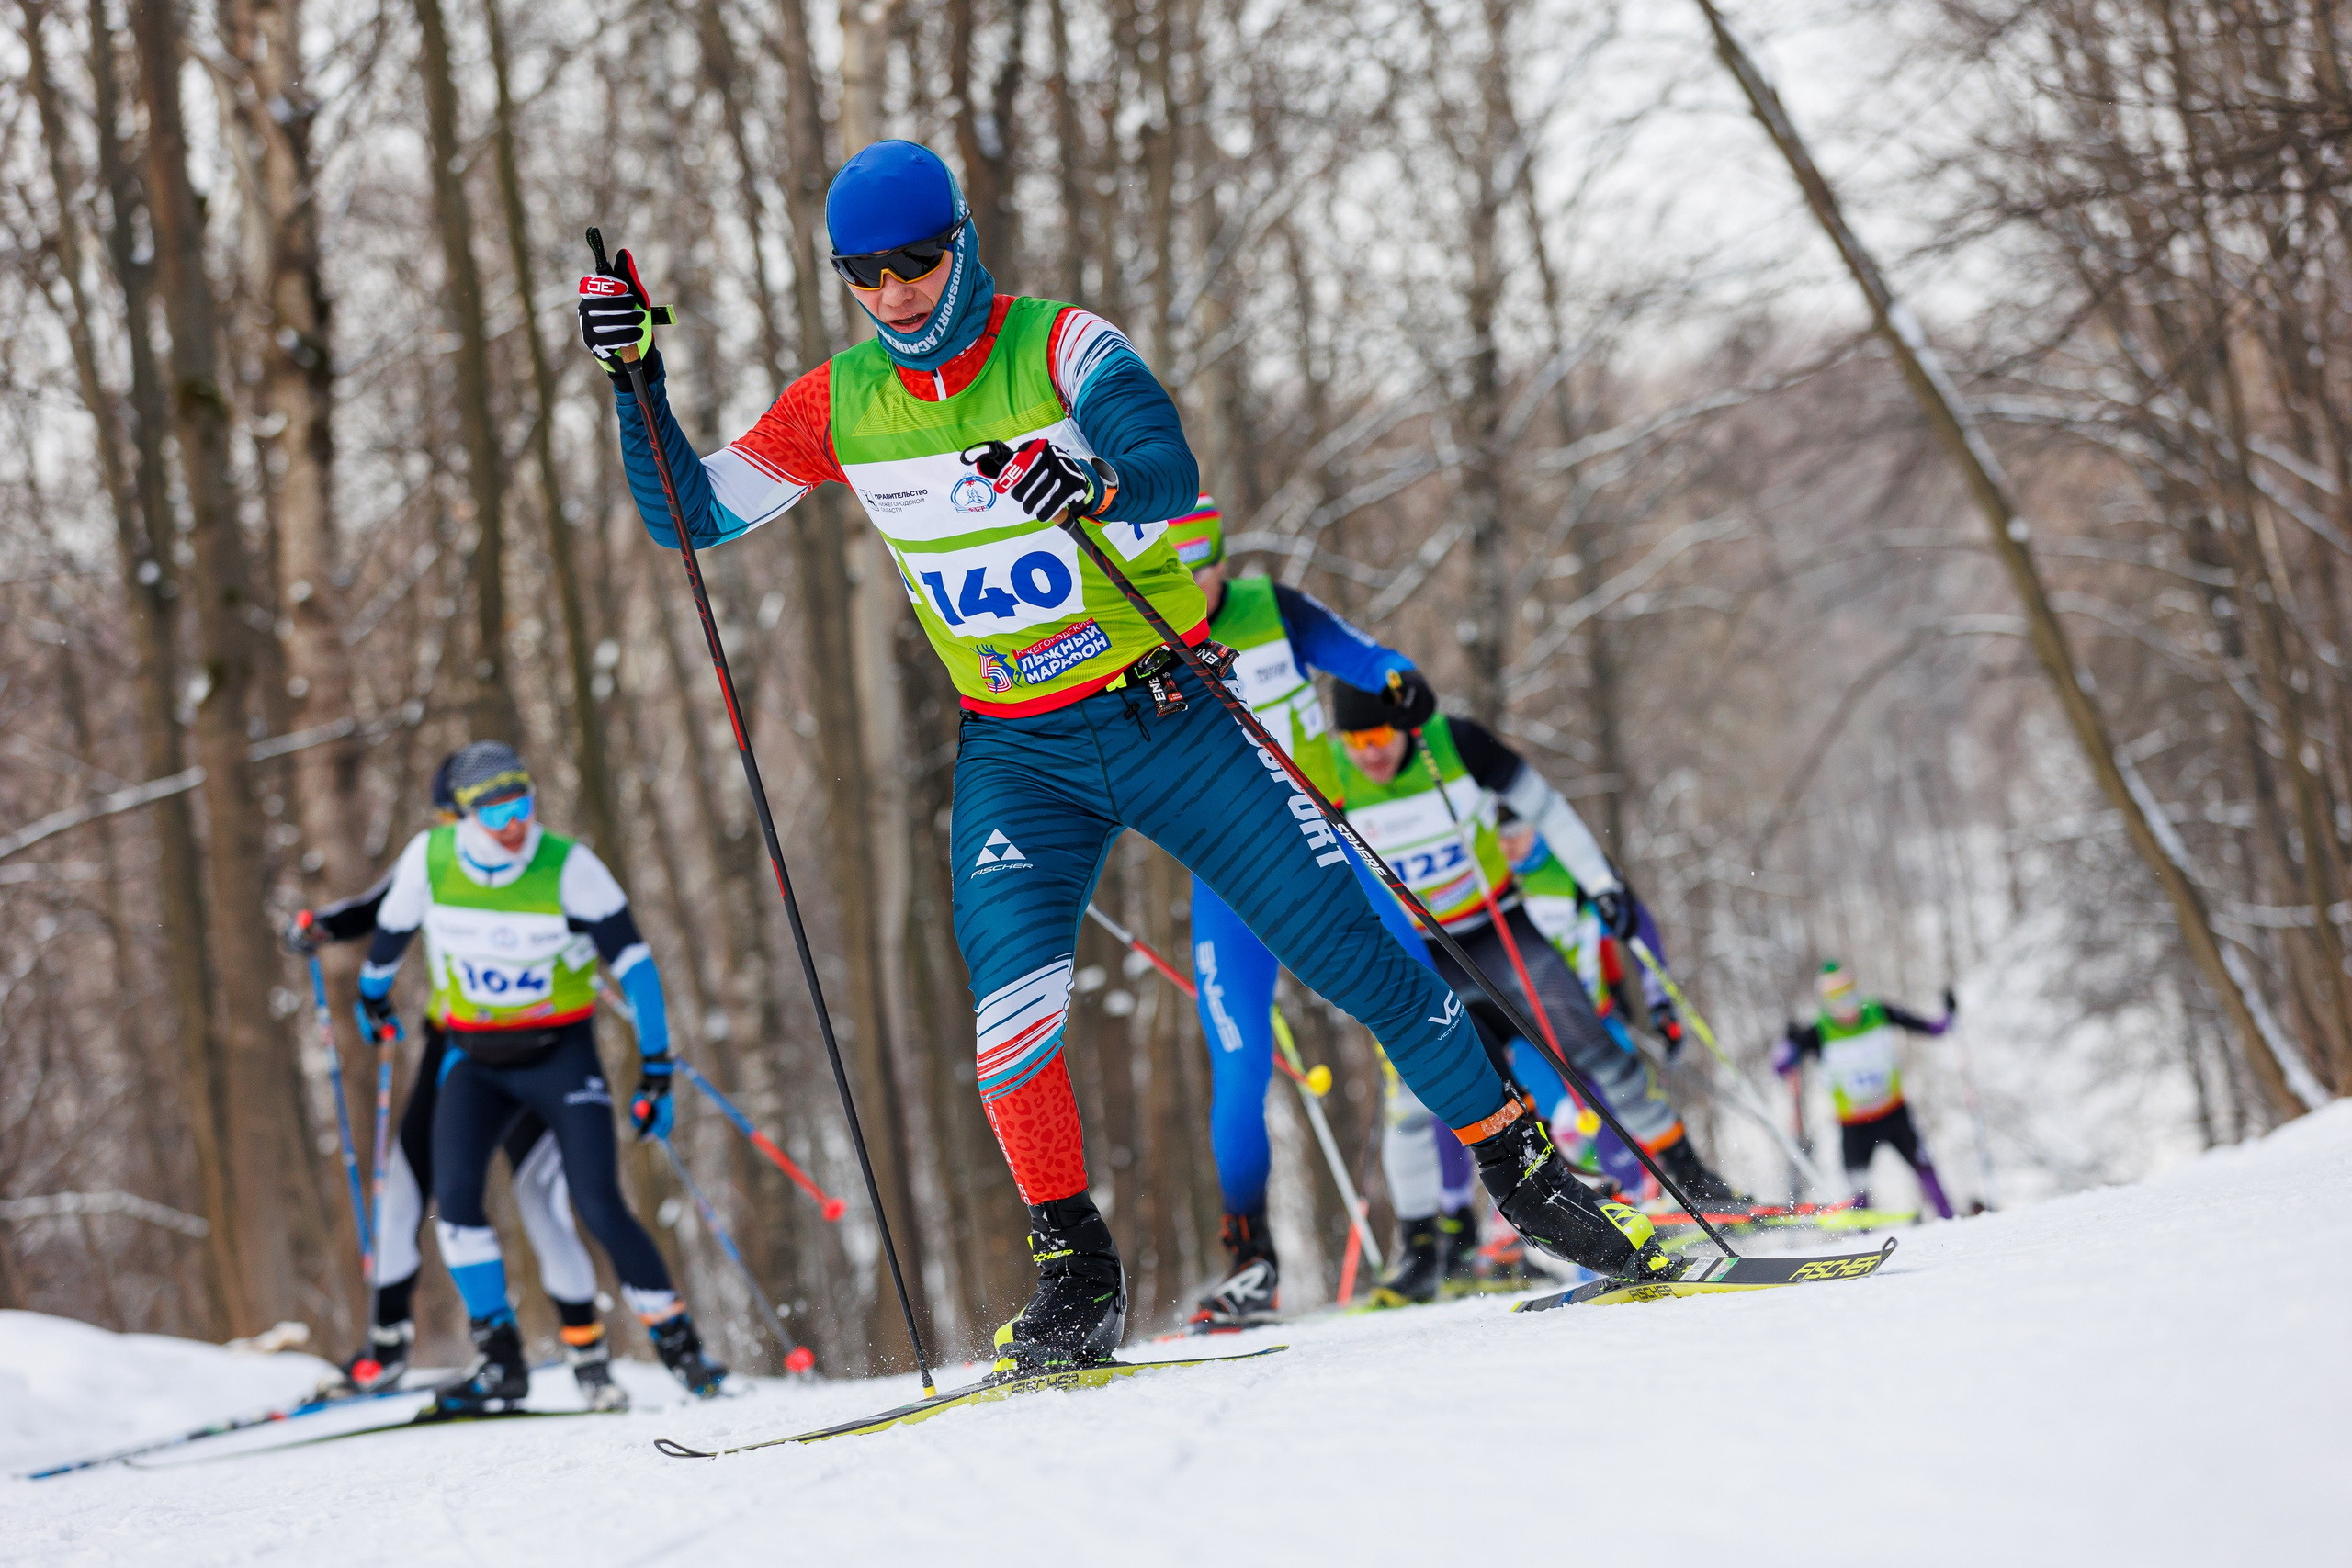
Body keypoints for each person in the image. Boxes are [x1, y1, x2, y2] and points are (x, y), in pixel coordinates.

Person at [582, 138, 1679, 1374]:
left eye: (916, 261)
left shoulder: (1062, 346)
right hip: (1018, 755)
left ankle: (1528, 1173)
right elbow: (691, 514)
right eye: (863, 272)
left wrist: (1089, 476)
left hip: (1168, 720)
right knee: (1009, 1018)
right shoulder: (839, 404)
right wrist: (636, 380)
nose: (893, 292)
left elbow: (1166, 463)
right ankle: (1076, 1271)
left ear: (963, 245)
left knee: (1353, 952)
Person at [355, 741, 725, 1412]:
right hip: (473, 1060)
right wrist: (372, 997)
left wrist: (657, 1071)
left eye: (521, 803)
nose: (514, 824)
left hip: (560, 1056)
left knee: (597, 1202)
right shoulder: (430, 859)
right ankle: (501, 1363)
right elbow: (389, 935)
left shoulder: (569, 866)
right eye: (494, 813)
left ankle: (683, 1350)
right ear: (462, 815)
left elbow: (638, 970)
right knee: (458, 1203)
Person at [1326, 676, 1746, 1249]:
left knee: (1586, 1039)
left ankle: (1690, 1173)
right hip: (1421, 946)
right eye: (1355, 739)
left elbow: (1546, 808)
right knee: (1451, 1077)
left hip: (1496, 925)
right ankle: (1452, 1235)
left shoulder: (1454, 744)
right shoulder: (1325, 769)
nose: (1369, 751)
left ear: (1404, 726)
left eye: (1378, 733)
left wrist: (1599, 881)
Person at [1158, 498, 1442, 1327]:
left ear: (1221, 562)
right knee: (1239, 1064)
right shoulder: (1131, 632)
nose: (1193, 585)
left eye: (1203, 568)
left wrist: (1399, 680)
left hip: (1326, 840)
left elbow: (1363, 656)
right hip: (1229, 871)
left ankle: (1503, 1192)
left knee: (1426, 1001)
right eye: (1175, 571)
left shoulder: (1273, 609)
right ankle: (1251, 1263)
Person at [285, 751, 622, 1408]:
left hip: (530, 1048)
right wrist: (323, 925)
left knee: (538, 1204)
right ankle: (397, 1348)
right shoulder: (438, 862)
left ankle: (586, 1358)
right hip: (459, 1046)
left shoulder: (526, 865)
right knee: (416, 1192)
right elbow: (384, 911)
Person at [1773, 961, 1957, 1218]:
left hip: (1893, 1112)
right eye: (1836, 999)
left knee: (1924, 1167)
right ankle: (1866, 1240)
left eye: (1849, 995)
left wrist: (1949, 1016)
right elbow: (1780, 1066)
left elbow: (1933, 1029)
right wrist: (1788, 1043)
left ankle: (1949, 1218)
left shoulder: (1878, 1012)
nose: (1846, 1007)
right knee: (1857, 1190)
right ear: (1827, 1002)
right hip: (1854, 1124)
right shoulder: (1819, 1031)